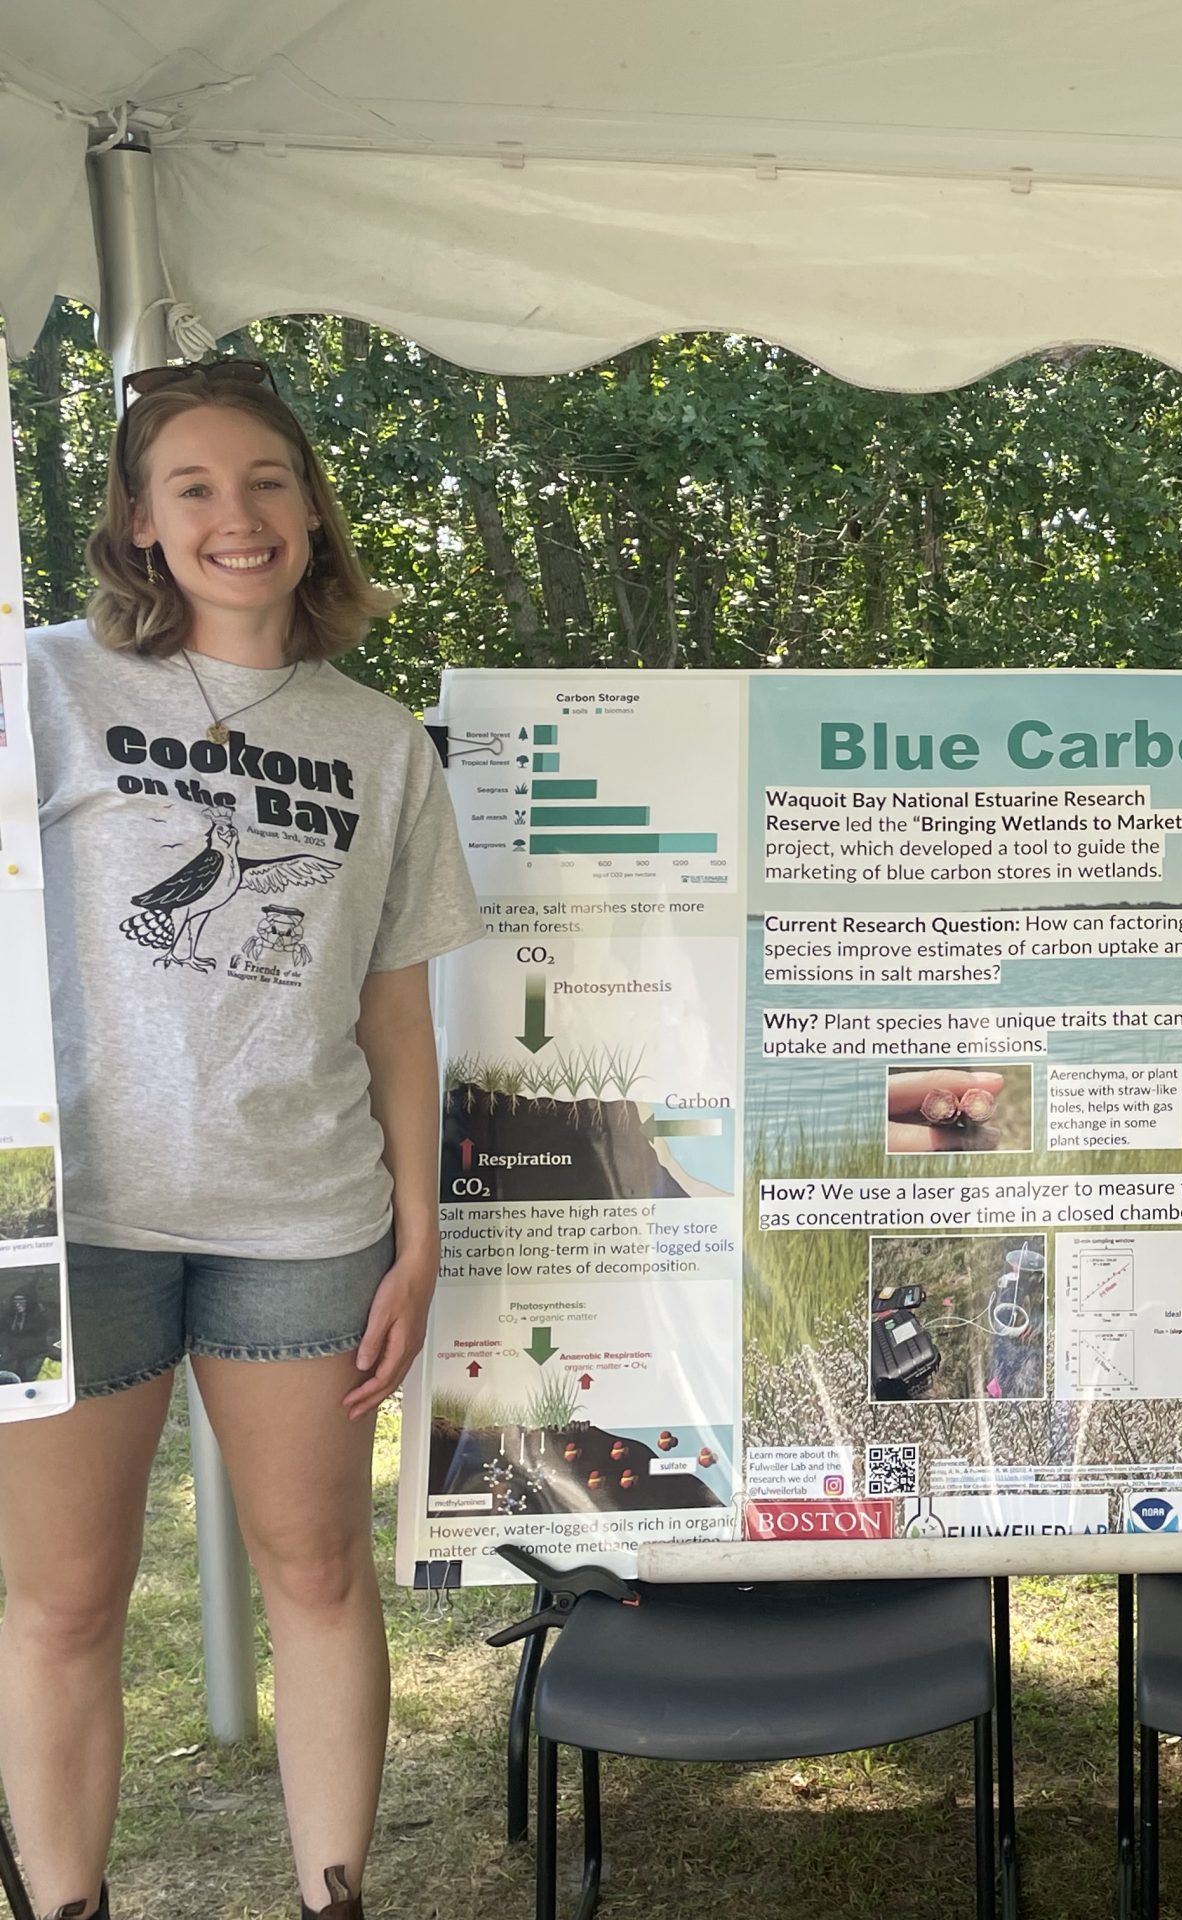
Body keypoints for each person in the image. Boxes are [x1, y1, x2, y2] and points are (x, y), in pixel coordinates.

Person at [0, 359, 483, 1920]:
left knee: (323, 1576)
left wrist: (418, 1234)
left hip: (305, 1224)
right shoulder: (43, 687)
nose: (236, 515)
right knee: (64, 1607)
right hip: (71, 1227)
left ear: (310, 506)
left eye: (267, 479)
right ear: (139, 522)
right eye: (193, 486)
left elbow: (396, 1016)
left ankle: (330, 1901)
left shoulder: (382, 743)